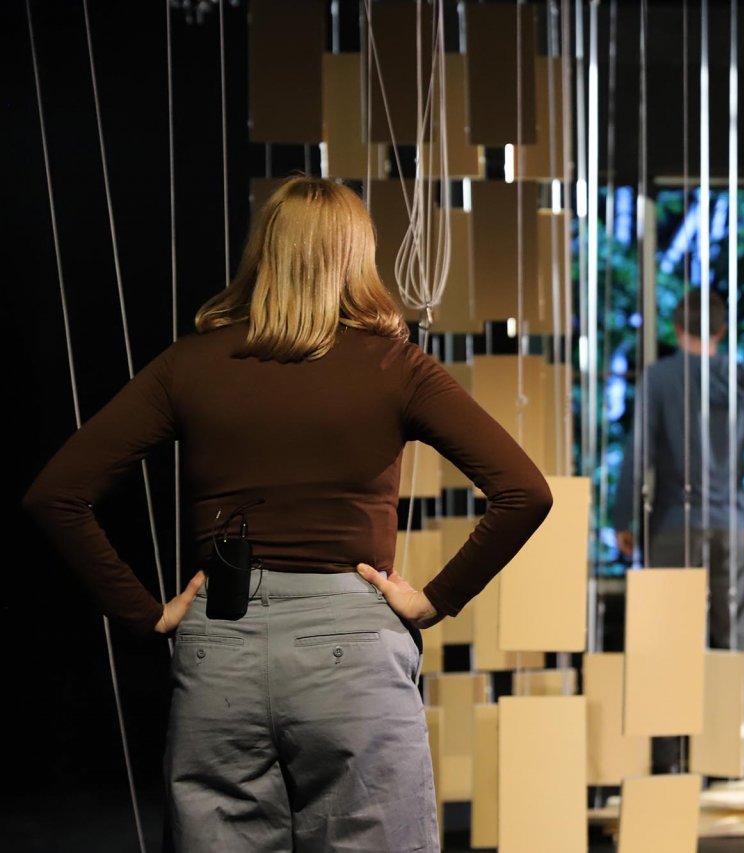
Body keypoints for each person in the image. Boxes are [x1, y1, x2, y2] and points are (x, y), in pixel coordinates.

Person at [22, 176, 553, 852]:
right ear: (356, 257)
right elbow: (525, 491)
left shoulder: (188, 365)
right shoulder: (397, 367)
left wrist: (144, 613)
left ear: (264, 253)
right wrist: (434, 601)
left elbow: (56, 494)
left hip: (221, 644)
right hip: (352, 651)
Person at [613, 289, 744, 774]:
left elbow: (638, 453)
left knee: (669, 641)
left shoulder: (659, 378)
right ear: (721, 331)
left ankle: (670, 760)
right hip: (731, 528)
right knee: (734, 637)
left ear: (677, 327)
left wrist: (622, 518)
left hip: (673, 528)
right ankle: (738, 756)